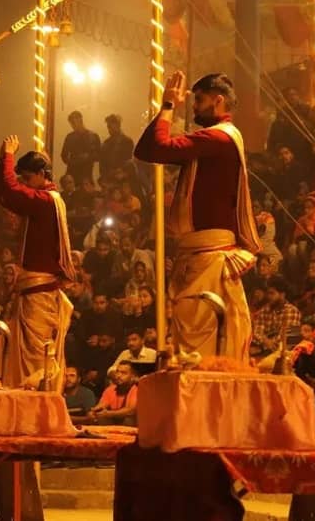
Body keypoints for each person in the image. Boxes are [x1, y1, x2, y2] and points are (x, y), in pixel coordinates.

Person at [134, 71, 262, 361]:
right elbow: (145, 150)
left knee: (199, 345)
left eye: (199, 101)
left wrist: (168, 106)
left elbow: (154, 148)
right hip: (197, 252)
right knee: (189, 337)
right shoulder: (211, 141)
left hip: (210, 254)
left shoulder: (219, 139)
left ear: (218, 101)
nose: (193, 108)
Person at [0, 136, 76, 392]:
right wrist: (0, 160)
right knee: (27, 354)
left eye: (27, 178)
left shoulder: (46, 201)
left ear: (42, 174)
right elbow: (1, 192)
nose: (25, 184)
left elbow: (11, 190)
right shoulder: (40, 201)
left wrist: (8, 156)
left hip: (40, 293)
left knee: (36, 356)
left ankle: (37, 406)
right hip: (31, 292)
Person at [89, 360, 138, 426]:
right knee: (101, 417)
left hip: (131, 423)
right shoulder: (110, 389)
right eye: (117, 372)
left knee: (129, 419)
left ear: (133, 377)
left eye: (123, 373)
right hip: (113, 422)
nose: (118, 375)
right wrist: (94, 411)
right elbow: (103, 404)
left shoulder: (136, 389)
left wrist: (109, 413)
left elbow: (131, 411)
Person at [61, 111, 101, 184]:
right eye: (71, 123)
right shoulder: (70, 137)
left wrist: (87, 157)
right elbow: (64, 155)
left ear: (80, 120)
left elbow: (99, 155)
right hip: (73, 174)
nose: (73, 125)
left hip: (85, 174)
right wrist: (72, 161)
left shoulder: (93, 136)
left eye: (74, 122)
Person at [99, 113, 134, 180]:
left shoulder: (127, 141)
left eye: (110, 126)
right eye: (108, 126)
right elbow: (102, 164)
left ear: (118, 125)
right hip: (109, 179)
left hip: (122, 178)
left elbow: (129, 161)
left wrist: (120, 171)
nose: (109, 129)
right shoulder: (106, 143)